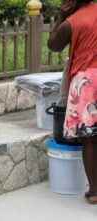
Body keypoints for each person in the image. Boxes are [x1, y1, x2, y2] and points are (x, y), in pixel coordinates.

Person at [48, 0, 97, 204]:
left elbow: (53, 45)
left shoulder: (72, 22)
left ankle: (94, 191)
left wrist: (61, 15)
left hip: (86, 82)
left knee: (90, 138)